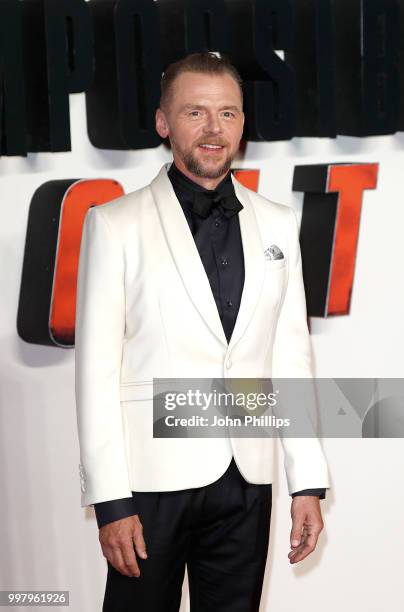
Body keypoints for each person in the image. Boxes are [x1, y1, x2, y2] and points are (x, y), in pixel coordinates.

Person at [75, 52, 330, 612]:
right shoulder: (115, 224)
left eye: (229, 114)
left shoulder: (279, 223)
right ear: (164, 123)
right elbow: (95, 372)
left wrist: (306, 482)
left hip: (247, 478)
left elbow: (291, 359)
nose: (215, 130)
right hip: (150, 482)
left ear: (242, 124)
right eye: (195, 112)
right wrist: (112, 501)